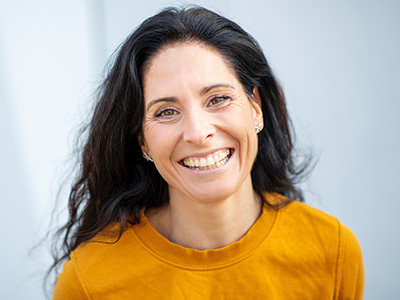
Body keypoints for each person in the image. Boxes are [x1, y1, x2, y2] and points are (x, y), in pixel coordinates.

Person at [51, 6, 364, 299]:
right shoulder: (88, 282)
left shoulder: (332, 250)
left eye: (217, 99)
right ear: (142, 140)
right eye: (166, 112)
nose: (198, 133)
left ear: (256, 108)